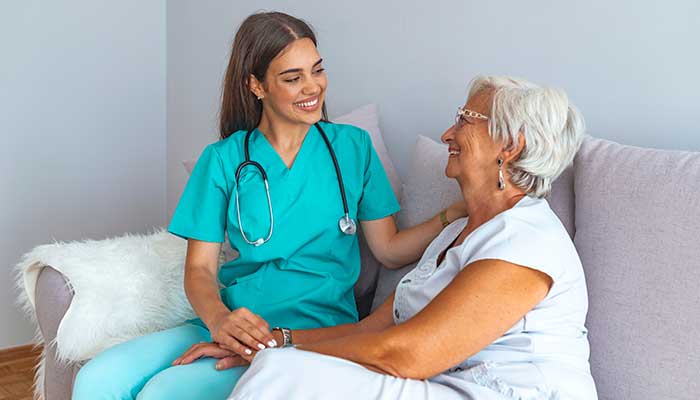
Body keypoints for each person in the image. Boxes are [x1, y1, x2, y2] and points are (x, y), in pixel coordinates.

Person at [71, 11, 466, 400]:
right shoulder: (223, 160)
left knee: (167, 392)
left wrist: (454, 213)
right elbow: (200, 268)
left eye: (317, 70)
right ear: (256, 86)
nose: (312, 88)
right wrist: (221, 321)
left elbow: (389, 250)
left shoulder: (352, 148)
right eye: (293, 78)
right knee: (97, 378)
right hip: (236, 318)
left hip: (313, 329)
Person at [199, 75, 597, 399]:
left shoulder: (526, 241)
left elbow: (408, 354)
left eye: (464, 119)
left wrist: (277, 355)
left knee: (280, 374)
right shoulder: (456, 234)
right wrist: (271, 341)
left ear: (510, 145)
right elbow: (370, 330)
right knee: (279, 367)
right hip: (438, 386)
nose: (447, 134)